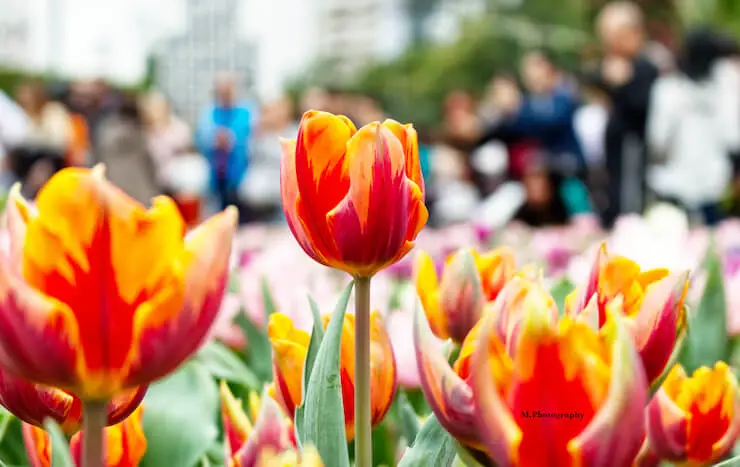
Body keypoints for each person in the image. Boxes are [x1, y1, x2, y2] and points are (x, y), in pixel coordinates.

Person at [646, 28, 740, 225]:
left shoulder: (667, 89)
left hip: (676, 183)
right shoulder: (725, 89)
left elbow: (657, 139)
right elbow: (733, 138)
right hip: (711, 185)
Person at [596, 1, 659, 227]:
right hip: (616, 157)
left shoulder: (645, 67)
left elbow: (641, 108)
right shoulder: (622, 65)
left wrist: (621, 84)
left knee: (628, 216)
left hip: (632, 151)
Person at [196, 72, 253, 223]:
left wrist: (231, 139)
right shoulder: (209, 113)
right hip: (215, 175)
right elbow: (201, 137)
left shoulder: (245, 112)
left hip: (239, 175)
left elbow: (249, 138)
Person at [94, 93, 159, 205]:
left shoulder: (105, 132)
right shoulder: (139, 136)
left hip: (112, 190)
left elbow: (97, 160)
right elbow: (150, 166)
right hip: (140, 193)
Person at [244, 96, 299, 223]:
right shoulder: (259, 134)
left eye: (271, 110)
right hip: (255, 205)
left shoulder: (294, 133)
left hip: (280, 205)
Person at [13, 81, 71, 197]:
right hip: (25, 164)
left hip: (49, 160)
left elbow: (59, 141)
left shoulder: (53, 111)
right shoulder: (24, 114)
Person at [141, 92, 192, 190]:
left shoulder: (180, 130)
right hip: (151, 184)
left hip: (176, 185)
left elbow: (186, 157)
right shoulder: (143, 132)